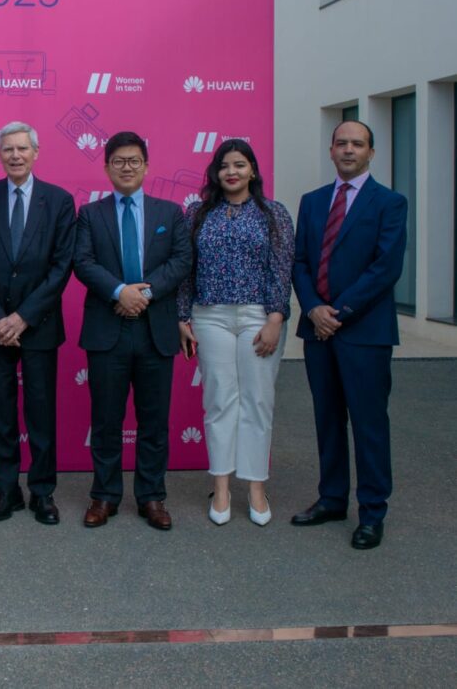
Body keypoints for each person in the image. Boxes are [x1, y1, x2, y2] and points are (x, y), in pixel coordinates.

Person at [290, 120, 407, 550]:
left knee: (369, 424)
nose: (349, 150)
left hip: (364, 332)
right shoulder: (313, 201)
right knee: (328, 419)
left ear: (371, 152)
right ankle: (332, 498)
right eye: (342, 143)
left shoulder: (390, 203)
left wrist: (338, 313)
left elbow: (386, 268)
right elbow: (300, 262)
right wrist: (313, 308)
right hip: (318, 331)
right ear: (331, 150)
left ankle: (372, 512)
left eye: (358, 144)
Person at [74, 131, 190, 531]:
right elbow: (83, 261)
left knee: (153, 420)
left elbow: (181, 260)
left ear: (146, 165)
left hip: (155, 329)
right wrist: (119, 291)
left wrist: (145, 293)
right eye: (119, 161)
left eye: (134, 160)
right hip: (107, 328)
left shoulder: (170, 213)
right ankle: (104, 495)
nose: (127, 167)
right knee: (106, 419)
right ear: (107, 167)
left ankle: (151, 496)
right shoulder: (90, 214)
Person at [177, 140, 294, 526]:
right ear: (216, 172)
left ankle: (256, 487)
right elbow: (186, 271)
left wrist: (275, 318)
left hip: (258, 317)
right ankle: (222, 487)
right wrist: (182, 317)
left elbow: (281, 268)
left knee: (257, 401)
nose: (232, 172)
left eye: (240, 165)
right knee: (219, 401)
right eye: (225, 165)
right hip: (210, 316)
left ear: (253, 171)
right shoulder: (197, 213)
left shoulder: (274, 214)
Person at [0, 121, 75, 525]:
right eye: (8, 149)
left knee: (41, 412)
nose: (15, 155)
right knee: (0, 413)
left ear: (36, 153)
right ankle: (6, 491)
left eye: (22, 148)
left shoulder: (59, 201)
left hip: (39, 324)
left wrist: (23, 317)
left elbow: (62, 266)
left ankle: (42, 493)